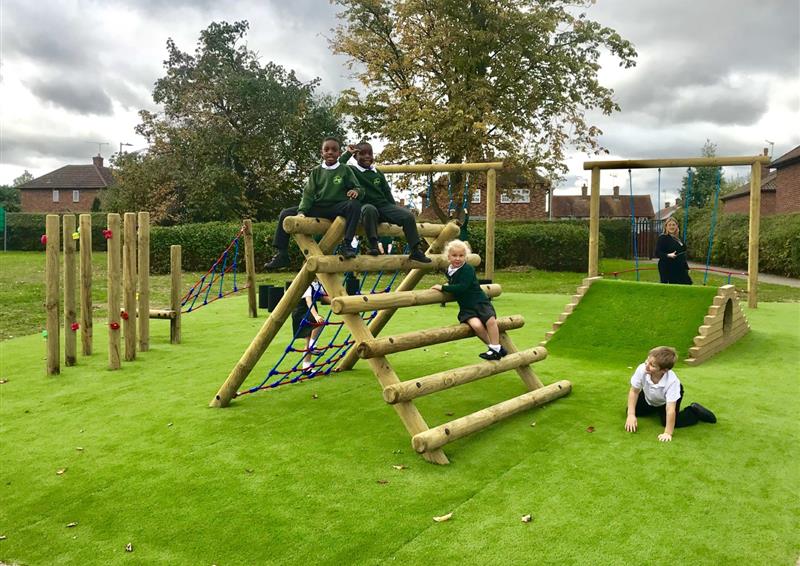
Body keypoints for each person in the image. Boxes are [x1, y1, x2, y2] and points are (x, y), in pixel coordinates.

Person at [264, 137, 363, 270]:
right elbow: (308, 193)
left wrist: (356, 191)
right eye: (326, 149)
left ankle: (347, 244)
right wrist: (301, 212)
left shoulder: (345, 169)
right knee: (285, 213)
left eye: (334, 150)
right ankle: (281, 254)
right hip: (319, 207)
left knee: (355, 205)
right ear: (321, 153)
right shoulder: (316, 171)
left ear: (339, 153)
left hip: (337, 207)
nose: (330, 152)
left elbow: (360, 188)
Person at [339, 142, 431, 263]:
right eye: (362, 153)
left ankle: (415, 250)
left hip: (383, 206)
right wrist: (347, 154)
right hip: (365, 208)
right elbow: (338, 166)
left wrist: (394, 212)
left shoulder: (377, 173)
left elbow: (387, 193)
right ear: (355, 156)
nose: (367, 156)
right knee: (369, 209)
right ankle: (373, 245)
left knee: (408, 216)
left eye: (370, 153)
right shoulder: (352, 171)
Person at [431, 239, 505, 360]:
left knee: (490, 321)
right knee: (476, 326)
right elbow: (455, 281)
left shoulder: (468, 269)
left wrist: (443, 287)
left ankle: (495, 347)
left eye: (461, 256)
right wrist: (449, 284)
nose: (458, 258)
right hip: (467, 307)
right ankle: (493, 348)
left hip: (479, 302)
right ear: (448, 257)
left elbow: (462, 287)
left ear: (465, 257)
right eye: (454, 255)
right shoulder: (450, 270)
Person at [624, 346, 717, 442]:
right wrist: (631, 414)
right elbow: (634, 391)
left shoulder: (672, 382)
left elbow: (670, 409)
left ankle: (694, 411)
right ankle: (654, 407)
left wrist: (668, 433)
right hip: (650, 395)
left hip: (666, 400)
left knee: (668, 422)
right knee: (631, 410)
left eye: (652, 365)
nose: (647, 365)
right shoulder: (642, 369)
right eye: (647, 360)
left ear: (664, 370)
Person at [291, 280, 328, 371]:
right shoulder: (306, 285)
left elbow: (326, 297)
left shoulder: (317, 285)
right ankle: (313, 345)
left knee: (307, 340)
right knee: (320, 322)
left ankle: (306, 368)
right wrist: (316, 316)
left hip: (309, 312)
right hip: (301, 312)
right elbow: (308, 301)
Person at [655, 217, 692, 284]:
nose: (672, 227)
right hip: (667, 266)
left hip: (680, 266)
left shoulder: (678, 238)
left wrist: (686, 267)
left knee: (687, 284)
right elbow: (657, 253)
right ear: (666, 227)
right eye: (669, 225)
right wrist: (668, 255)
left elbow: (682, 254)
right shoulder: (663, 238)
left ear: (677, 226)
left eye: (673, 225)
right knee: (672, 287)